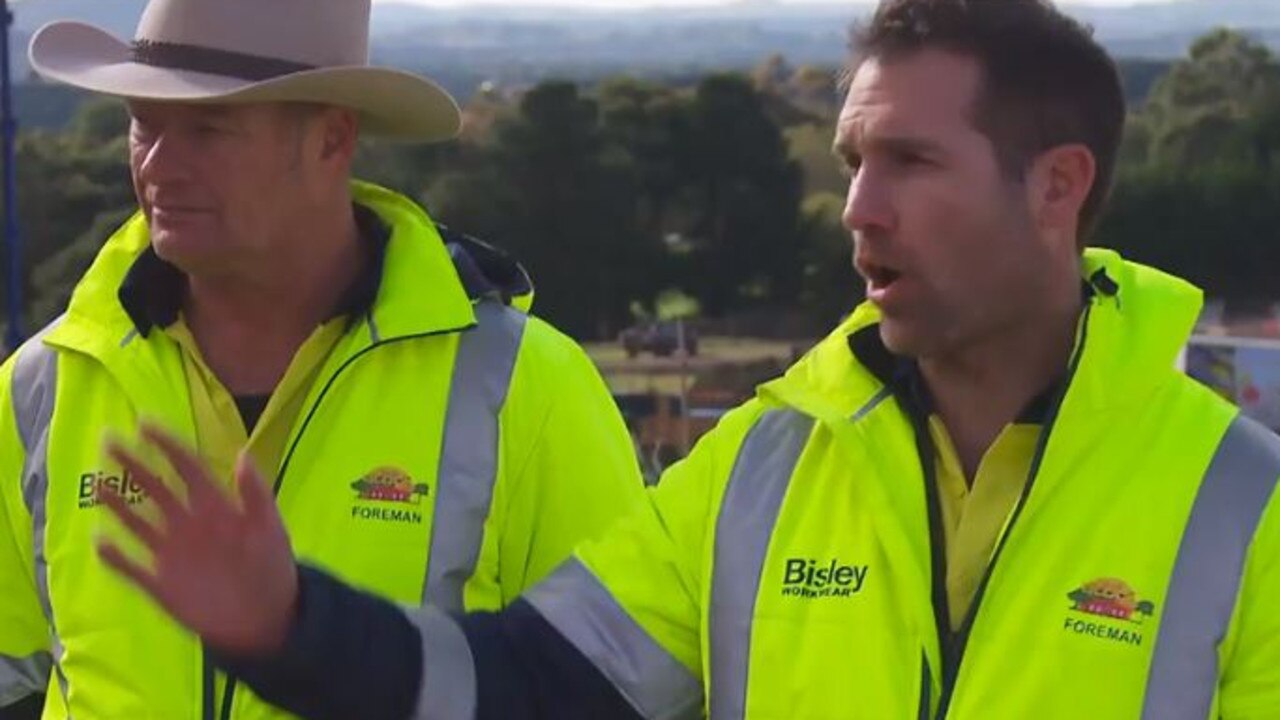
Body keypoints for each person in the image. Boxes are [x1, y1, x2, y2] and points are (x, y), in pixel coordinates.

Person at [65, 0, 1280, 718]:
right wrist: (290, 628)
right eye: (850, 159)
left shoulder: (1244, 505)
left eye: (907, 163)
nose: (854, 207)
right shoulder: (760, 462)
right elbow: (530, 688)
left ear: (1055, 187)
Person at [0, 0, 647, 718]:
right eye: (143, 123)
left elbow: (620, 689)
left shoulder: (526, 387)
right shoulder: (44, 384)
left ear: (333, 139)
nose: (158, 165)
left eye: (208, 128)